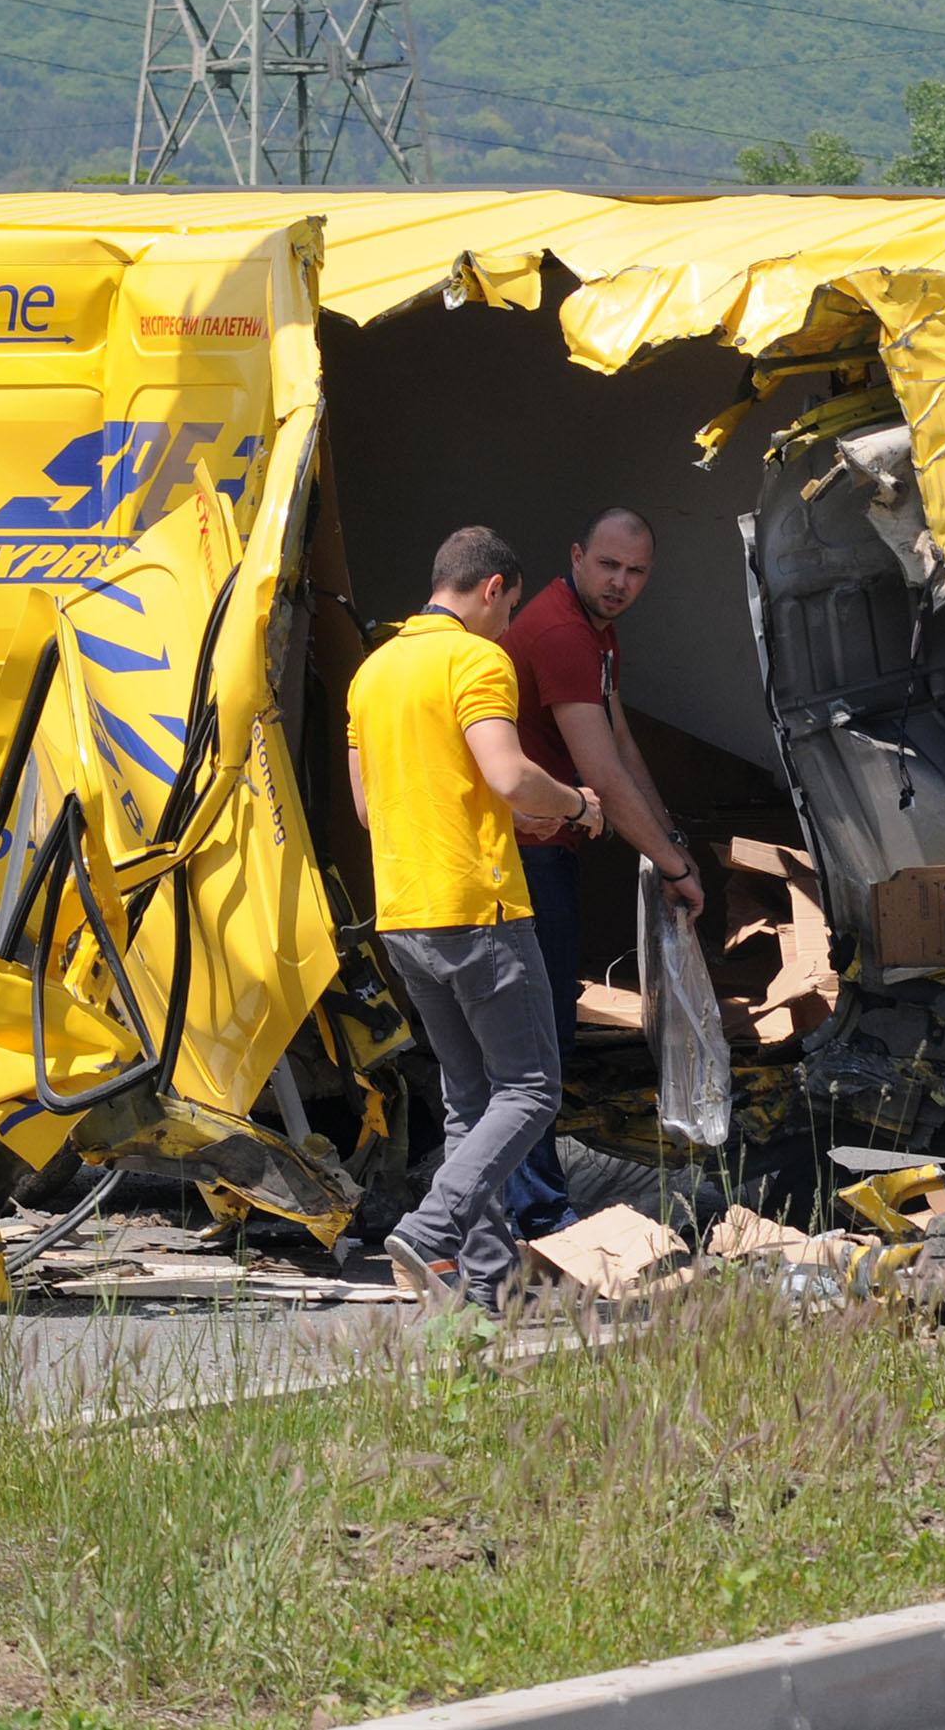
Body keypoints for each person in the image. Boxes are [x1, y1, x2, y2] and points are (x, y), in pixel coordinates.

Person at [350, 526, 606, 1314]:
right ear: (492, 588)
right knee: (529, 1090)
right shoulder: (474, 658)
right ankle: (431, 1231)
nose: (507, 627)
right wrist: (573, 804)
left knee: (471, 1099)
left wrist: (502, 810)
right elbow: (506, 769)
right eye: (509, 608)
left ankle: (491, 1286)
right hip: (478, 907)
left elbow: (370, 808)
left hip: (404, 914)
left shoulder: (374, 669)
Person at [496, 506, 702, 1240]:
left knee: (539, 1032)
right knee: (534, 1040)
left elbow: (620, 739)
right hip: (526, 852)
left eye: (637, 571)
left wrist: (670, 835)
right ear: (577, 556)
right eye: (609, 565)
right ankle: (540, 1217)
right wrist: (675, 864)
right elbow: (603, 776)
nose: (620, 582)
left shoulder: (594, 631)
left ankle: (514, 1211)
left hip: (548, 847)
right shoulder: (558, 630)